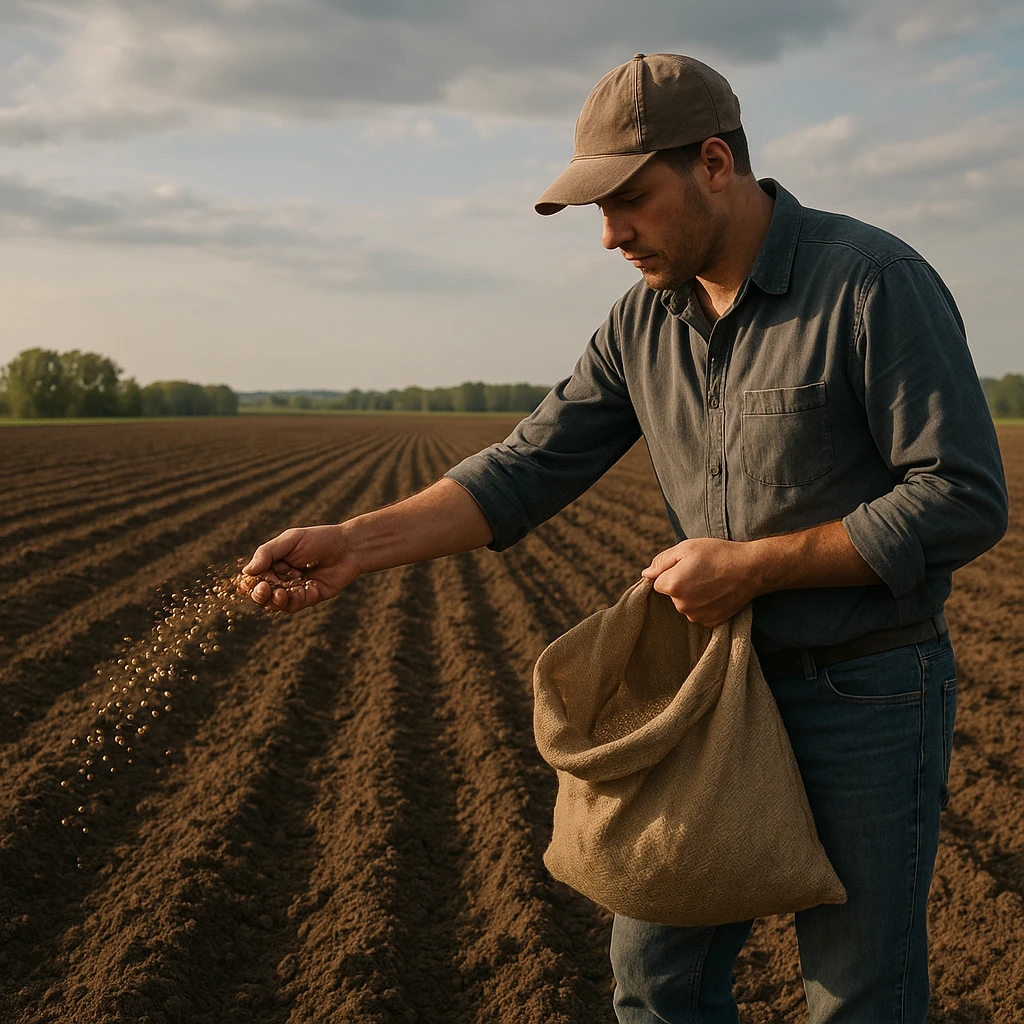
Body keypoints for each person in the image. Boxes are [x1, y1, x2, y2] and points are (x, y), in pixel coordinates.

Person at [238, 53, 1008, 1024]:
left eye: (628, 201)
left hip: (865, 689)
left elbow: (962, 494)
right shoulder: (639, 327)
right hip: (709, 695)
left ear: (716, 162)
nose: (607, 236)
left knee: (858, 995)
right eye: (593, 213)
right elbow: (525, 466)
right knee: (654, 980)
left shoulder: (871, 284)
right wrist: (353, 540)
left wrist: (752, 566)